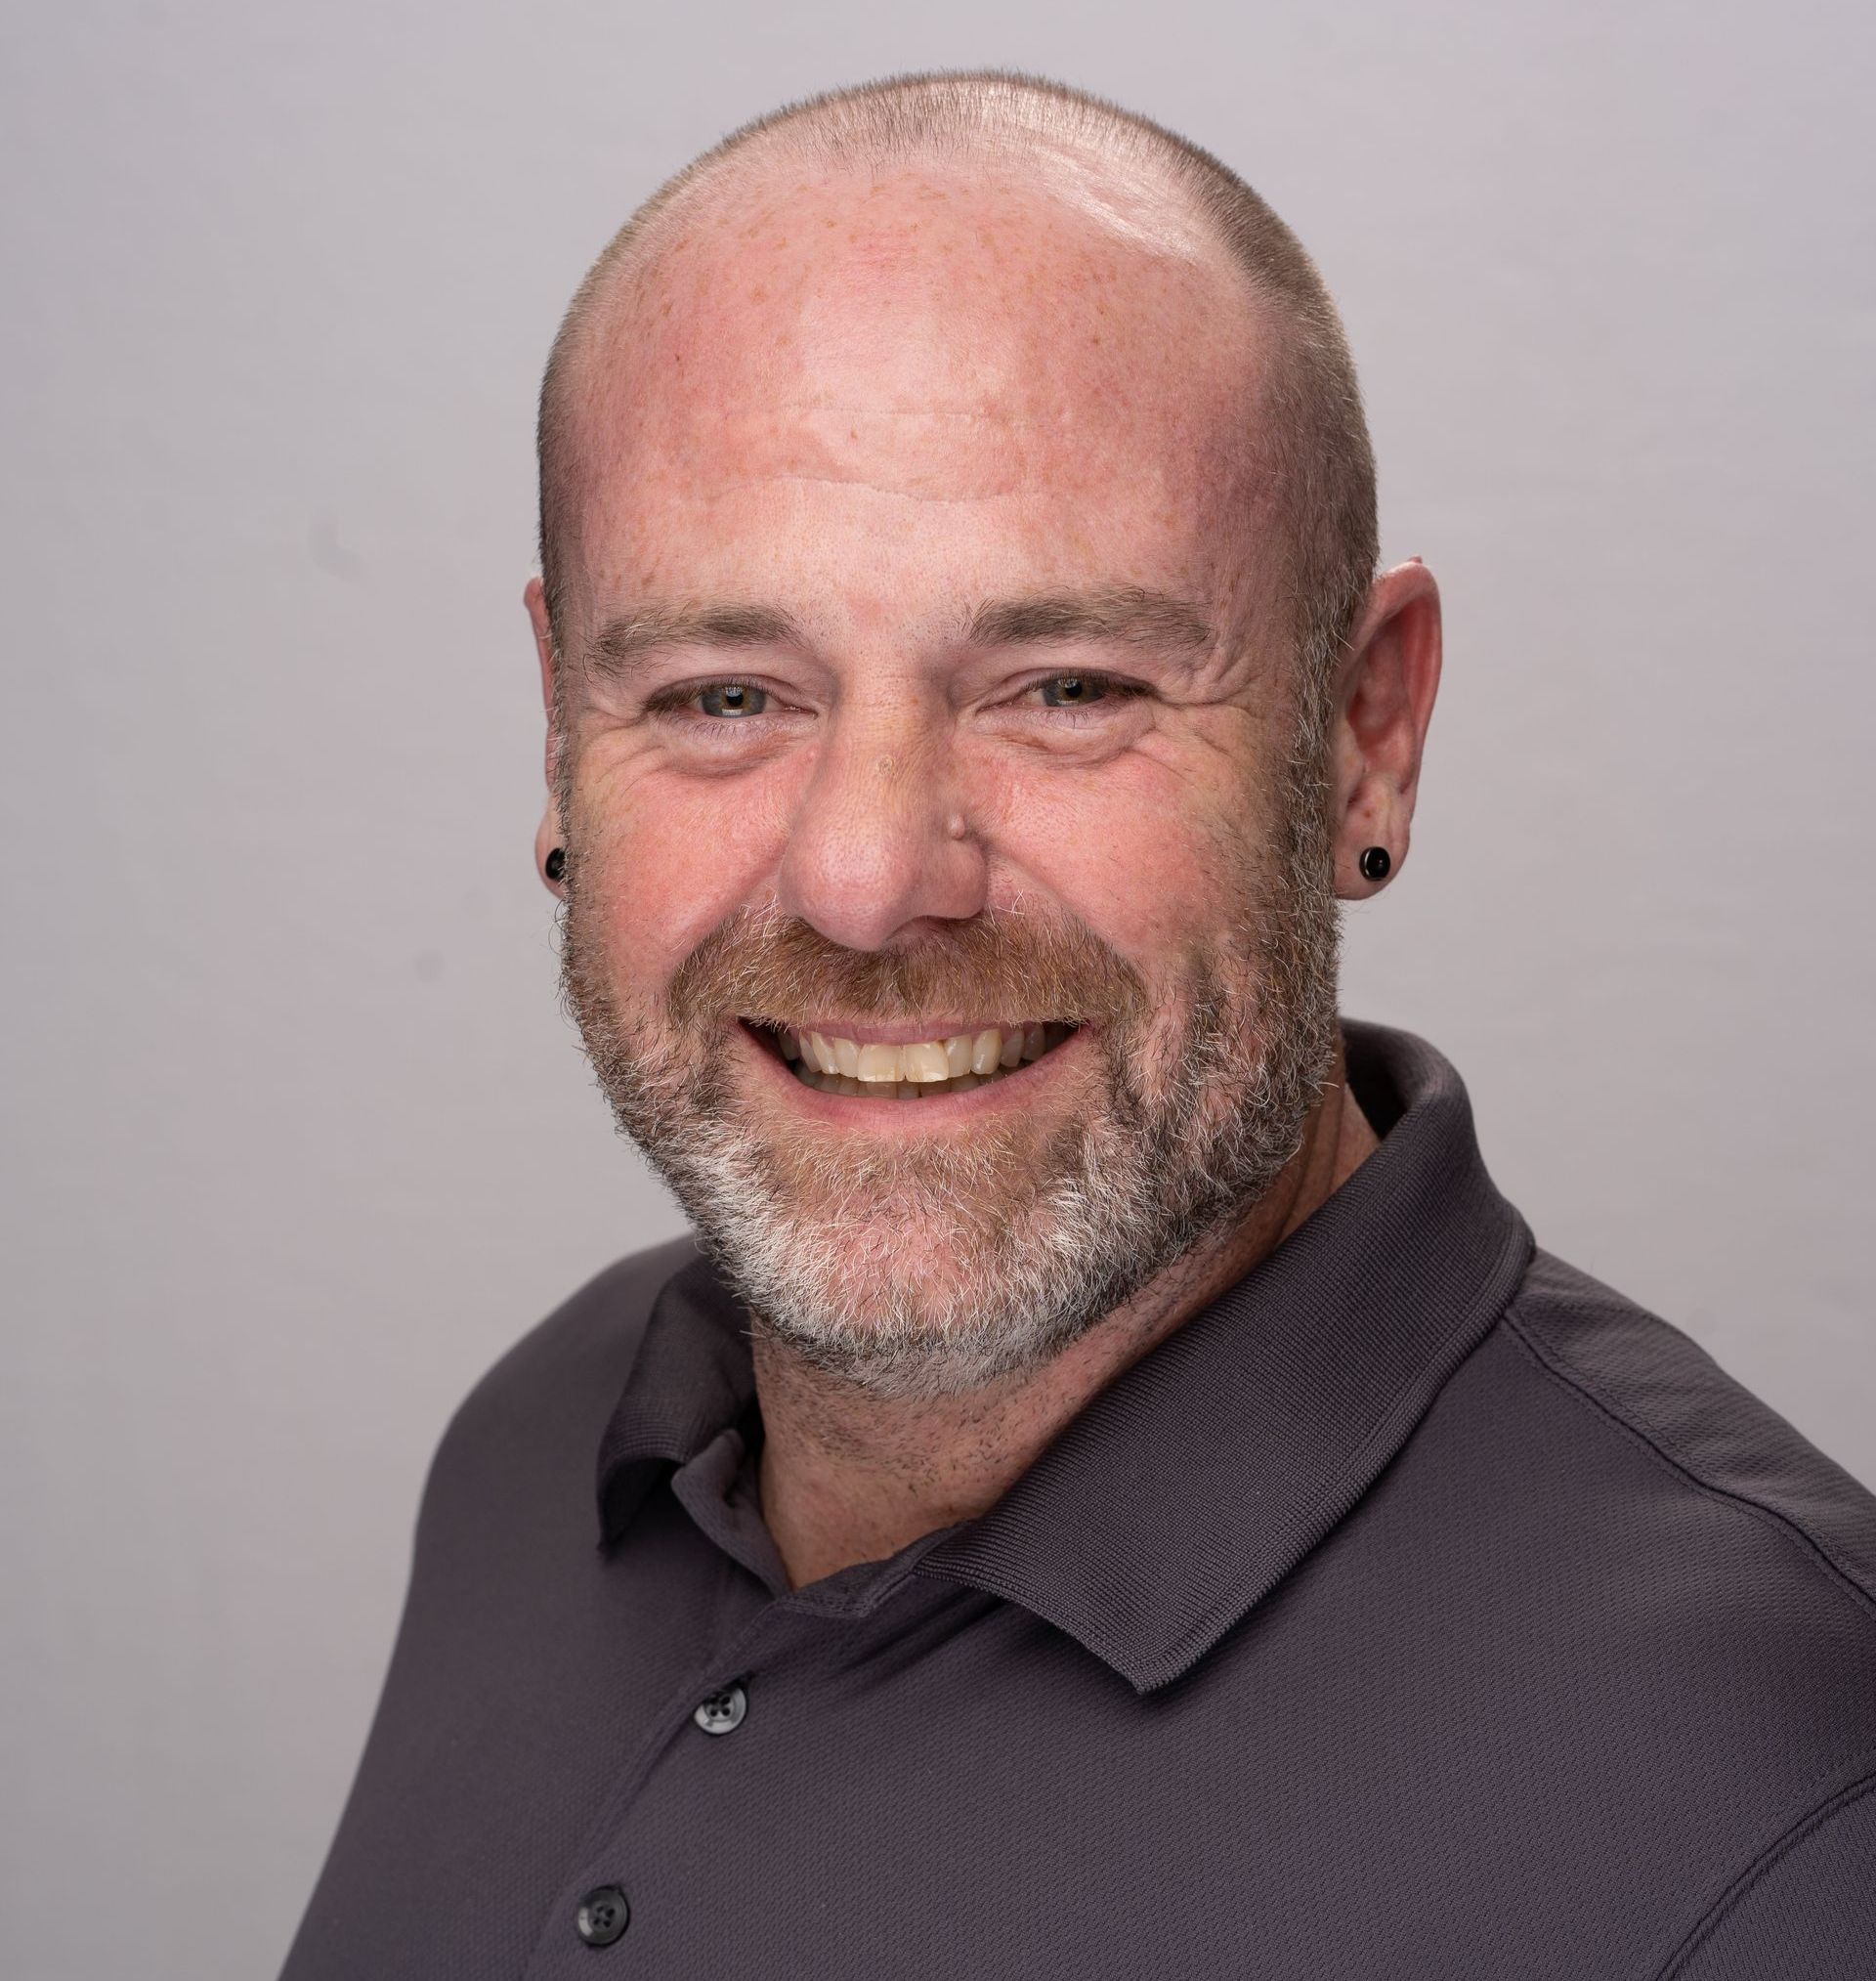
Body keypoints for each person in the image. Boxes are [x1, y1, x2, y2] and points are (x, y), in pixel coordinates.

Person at [280, 70, 1876, 1980]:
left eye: (1065, 684)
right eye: (721, 695)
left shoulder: (1780, 1802)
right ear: (559, 735)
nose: (869, 882)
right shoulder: (550, 1442)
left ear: (1367, 729)